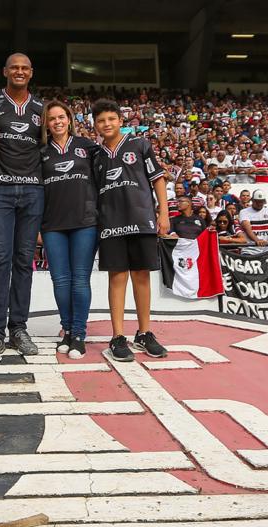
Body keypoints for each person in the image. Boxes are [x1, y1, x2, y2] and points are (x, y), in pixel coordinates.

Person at [90, 98, 169, 361]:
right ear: (95, 125)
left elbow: (157, 178)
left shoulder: (140, 145)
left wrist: (164, 213)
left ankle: (145, 332)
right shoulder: (96, 155)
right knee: (117, 278)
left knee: (142, 277)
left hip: (141, 219)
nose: (106, 124)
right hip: (110, 224)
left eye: (111, 119)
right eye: (101, 121)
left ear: (120, 121)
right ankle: (118, 336)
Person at [0, 52, 44, 363]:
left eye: (24, 68)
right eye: (14, 67)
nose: (19, 72)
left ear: (31, 73)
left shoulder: (42, 108)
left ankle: (18, 327)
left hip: (33, 190)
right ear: (5, 70)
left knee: (23, 261)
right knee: (1, 260)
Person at [39, 99, 98, 359]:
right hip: (52, 224)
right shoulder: (41, 152)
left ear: (70, 119)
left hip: (85, 222)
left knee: (80, 279)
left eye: (61, 117)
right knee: (60, 280)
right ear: (46, 124)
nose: (57, 122)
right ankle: (66, 329)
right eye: (52, 118)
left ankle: (79, 334)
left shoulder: (87, 146)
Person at [238, 191, 268, 256]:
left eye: (261, 201)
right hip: (249, 250)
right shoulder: (244, 212)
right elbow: (247, 229)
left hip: (267, 251)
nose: (259, 203)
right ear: (252, 200)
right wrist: (257, 240)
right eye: (257, 201)